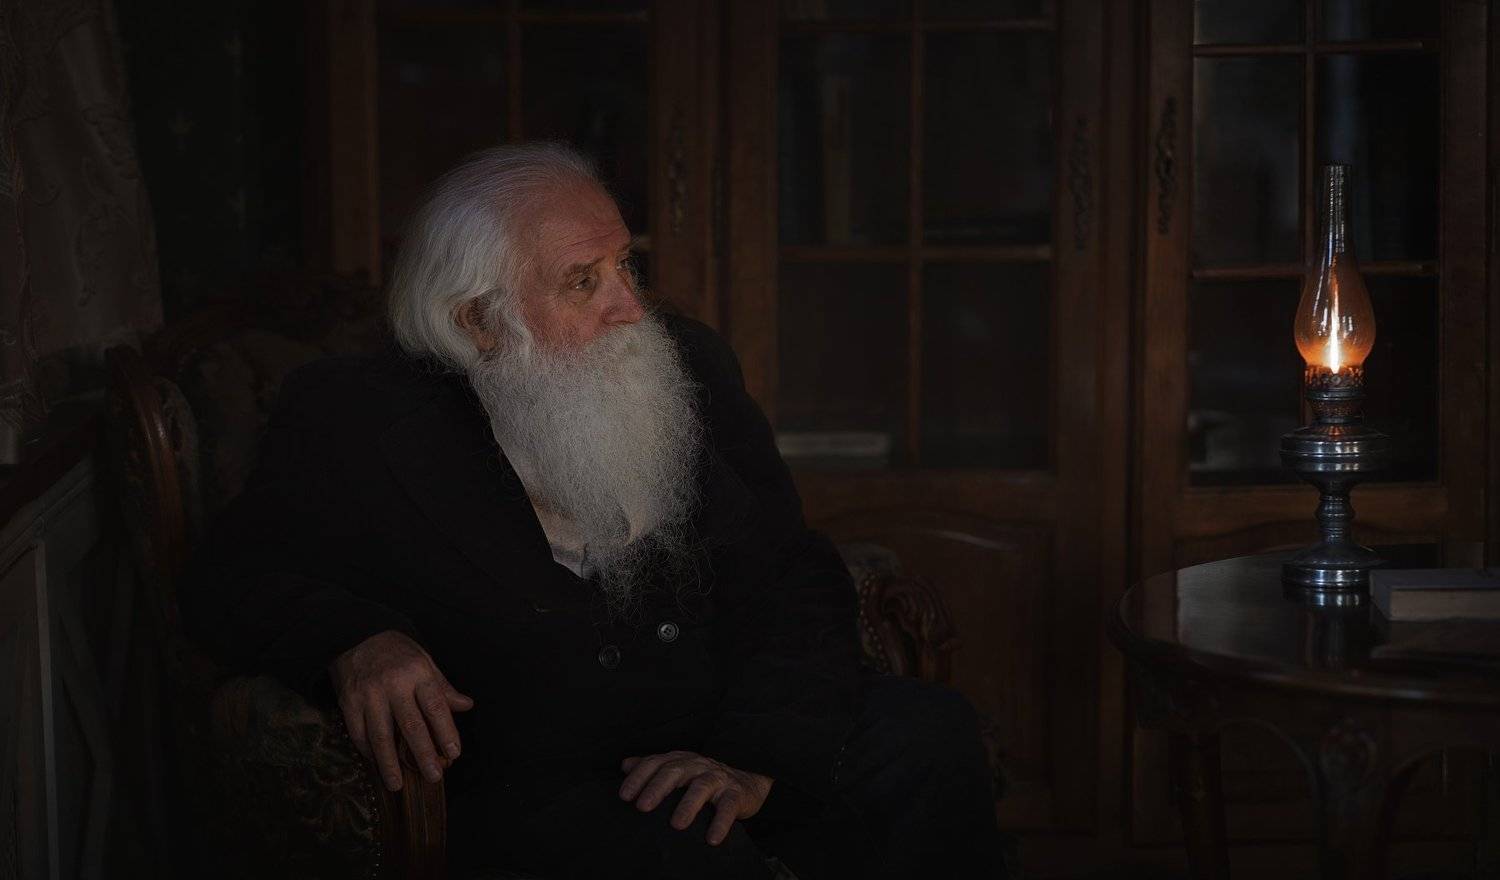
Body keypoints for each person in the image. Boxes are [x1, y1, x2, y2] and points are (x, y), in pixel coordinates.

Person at [182, 142, 1008, 878]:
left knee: (929, 737)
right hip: (543, 779)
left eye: (625, 266)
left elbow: (789, 571)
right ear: (477, 319)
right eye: (585, 281)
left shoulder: (689, 366)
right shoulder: (355, 417)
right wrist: (354, 639)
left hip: (719, 723)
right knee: (688, 856)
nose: (631, 308)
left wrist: (756, 757)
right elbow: (230, 575)